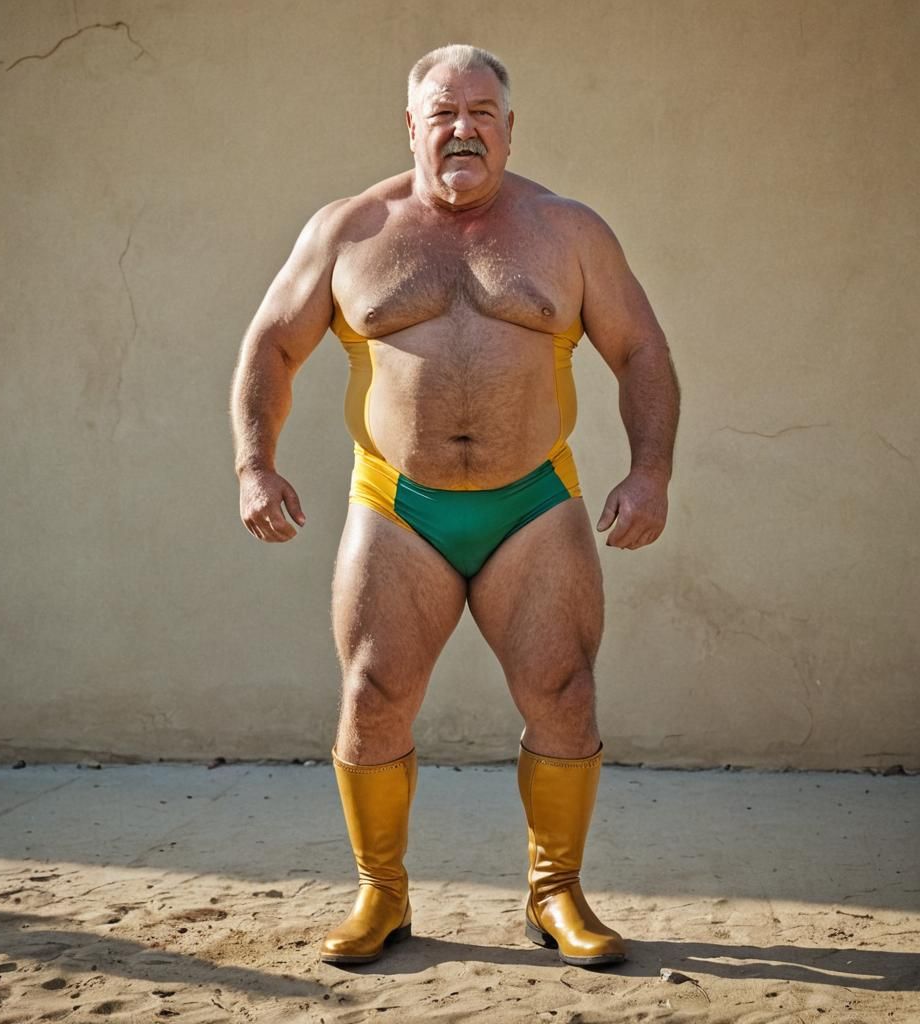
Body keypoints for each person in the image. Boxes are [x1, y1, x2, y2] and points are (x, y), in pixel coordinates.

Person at [230, 43, 679, 968]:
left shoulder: (569, 231)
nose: (462, 127)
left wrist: (651, 472)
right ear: (412, 127)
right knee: (372, 695)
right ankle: (380, 895)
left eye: (482, 111)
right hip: (396, 505)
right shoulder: (352, 229)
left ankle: (556, 894)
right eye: (442, 112)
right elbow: (272, 344)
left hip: (534, 504)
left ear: (510, 128)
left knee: (564, 692)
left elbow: (641, 351)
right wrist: (254, 466)